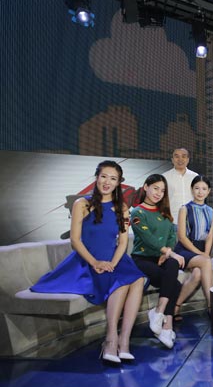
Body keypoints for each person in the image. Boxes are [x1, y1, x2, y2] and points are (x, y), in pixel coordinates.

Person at [31, 161, 144, 364]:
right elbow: (75, 240)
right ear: (97, 177)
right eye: (104, 176)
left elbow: (123, 242)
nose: (107, 182)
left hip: (115, 259)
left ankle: (124, 341)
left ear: (118, 183)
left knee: (137, 280)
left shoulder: (122, 208)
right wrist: (95, 263)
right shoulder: (82, 204)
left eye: (113, 179)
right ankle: (111, 339)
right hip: (88, 260)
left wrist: (112, 263)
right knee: (121, 282)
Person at [130, 174, 184, 349]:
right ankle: (166, 324)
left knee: (173, 263)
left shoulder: (164, 212)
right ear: (146, 187)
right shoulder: (137, 212)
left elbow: (171, 235)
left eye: (162, 190)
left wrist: (167, 253)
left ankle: (160, 314)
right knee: (175, 284)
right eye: (155, 188)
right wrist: (167, 251)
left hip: (160, 258)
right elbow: (147, 238)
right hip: (142, 259)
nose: (158, 193)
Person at [173, 175, 213, 321]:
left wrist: (206, 253)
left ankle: (175, 306)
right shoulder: (184, 209)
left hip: (201, 250)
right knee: (206, 262)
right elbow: (181, 237)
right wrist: (202, 255)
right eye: (197, 188)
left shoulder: (211, 211)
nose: (200, 192)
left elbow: (209, 236)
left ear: (209, 191)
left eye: (204, 189)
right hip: (185, 249)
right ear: (192, 189)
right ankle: (212, 306)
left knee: (197, 274)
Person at [162, 148, 198, 225]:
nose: (180, 159)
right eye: (177, 156)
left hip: (192, 220)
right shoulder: (164, 177)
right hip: (171, 221)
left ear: (188, 159)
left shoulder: (195, 177)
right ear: (172, 160)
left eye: (183, 156)